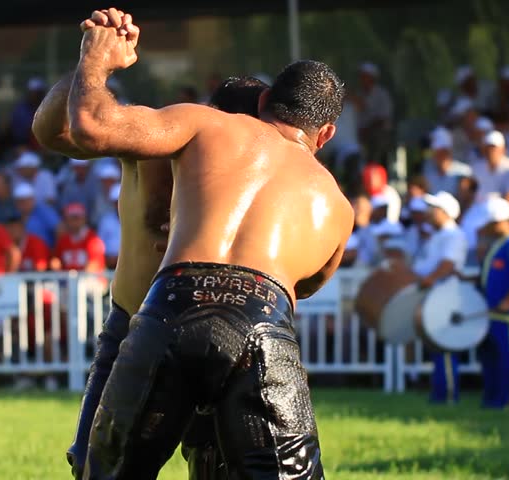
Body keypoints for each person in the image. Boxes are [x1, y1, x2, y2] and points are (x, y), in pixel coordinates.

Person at [67, 10, 352, 478]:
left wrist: (97, 59)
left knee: (109, 471)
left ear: (263, 101)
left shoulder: (209, 125)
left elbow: (89, 126)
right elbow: (309, 283)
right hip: (263, 319)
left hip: (173, 303)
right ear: (326, 134)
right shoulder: (336, 203)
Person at [34, 73, 269, 478]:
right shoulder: (158, 138)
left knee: (217, 467)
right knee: (97, 464)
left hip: (217, 333)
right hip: (133, 322)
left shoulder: (268, 170)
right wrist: (89, 65)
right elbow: (56, 131)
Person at [469, 196, 509, 409]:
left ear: (498, 222)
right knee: (491, 360)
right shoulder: (497, 245)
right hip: (492, 314)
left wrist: (508, 300)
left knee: (508, 361)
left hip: (507, 316)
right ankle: (492, 398)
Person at [411, 192, 468, 405]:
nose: (428, 213)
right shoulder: (439, 235)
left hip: (444, 295)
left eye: (433, 209)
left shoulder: (453, 235)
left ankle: (448, 394)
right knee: (437, 344)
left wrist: (428, 280)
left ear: (444, 212)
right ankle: (440, 393)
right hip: (435, 294)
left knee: (444, 344)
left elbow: (448, 264)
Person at [49, 203, 106, 273]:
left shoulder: (92, 239)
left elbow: (95, 264)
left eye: (77, 218)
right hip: (67, 280)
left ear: (84, 219)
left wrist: (79, 279)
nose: (74, 222)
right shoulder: (63, 240)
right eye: (71, 218)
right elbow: (56, 261)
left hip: (90, 280)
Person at [472, 131, 509, 204]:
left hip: (500, 208)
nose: (491, 151)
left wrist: (500, 207)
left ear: (503, 150)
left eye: (494, 148)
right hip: (478, 207)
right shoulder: (476, 166)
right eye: (488, 148)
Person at [13, 182, 60, 249]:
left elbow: (59, 230)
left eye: (26, 200)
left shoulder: (45, 211)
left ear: (33, 199)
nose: (23, 204)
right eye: (20, 201)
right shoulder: (16, 215)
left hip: (45, 251)